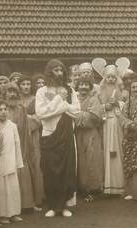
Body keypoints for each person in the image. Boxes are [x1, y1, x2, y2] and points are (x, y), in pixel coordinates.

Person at [35, 59, 79, 217]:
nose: (59, 73)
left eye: (61, 70)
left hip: (66, 134)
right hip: (50, 135)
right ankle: (53, 206)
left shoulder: (70, 90)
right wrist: (58, 100)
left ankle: (65, 206)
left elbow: (76, 112)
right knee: (51, 170)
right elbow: (41, 114)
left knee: (66, 169)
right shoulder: (42, 91)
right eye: (55, 70)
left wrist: (62, 106)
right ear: (49, 72)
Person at [5, 83, 36, 210]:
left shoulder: (21, 108)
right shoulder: (1, 107)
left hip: (20, 144)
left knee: (23, 170)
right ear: (4, 93)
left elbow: (25, 130)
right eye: (9, 91)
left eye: (14, 92)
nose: (12, 94)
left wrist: (25, 147)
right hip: (6, 145)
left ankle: (25, 204)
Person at [0, 100, 24, 223]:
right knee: (0, 188)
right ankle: (1, 215)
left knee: (12, 188)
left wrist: (19, 162)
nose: (3, 112)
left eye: (5, 109)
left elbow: (17, 144)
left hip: (11, 160)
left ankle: (13, 213)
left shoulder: (12, 126)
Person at [75, 77, 104, 202]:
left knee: (92, 160)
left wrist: (77, 115)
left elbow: (94, 118)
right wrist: (80, 114)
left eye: (86, 85)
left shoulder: (94, 99)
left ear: (90, 87)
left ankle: (94, 189)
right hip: (77, 133)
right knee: (80, 160)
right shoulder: (74, 99)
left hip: (91, 133)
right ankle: (82, 188)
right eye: (81, 84)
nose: (83, 87)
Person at [96, 64, 125, 195]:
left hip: (117, 123)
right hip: (106, 123)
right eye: (108, 77)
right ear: (105, 78)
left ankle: (119, 184)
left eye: (113, 77)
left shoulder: (121, 91)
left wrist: (118, 103)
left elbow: (125, 105)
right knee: (106, 151)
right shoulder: (100, 91)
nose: (111, 79)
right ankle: (107, 184)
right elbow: (97, 107)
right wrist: (105, 106)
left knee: (118, 150)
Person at [17, 76, 45, 209]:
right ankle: (23, 200)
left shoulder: (36, 99)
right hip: (18, 136)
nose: (26, 86)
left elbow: (40, 119)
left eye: (28, 84)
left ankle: (37, 198)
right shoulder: (15, 100)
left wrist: (26, 119)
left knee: (35, 163)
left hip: (33, 136)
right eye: (23, 84)